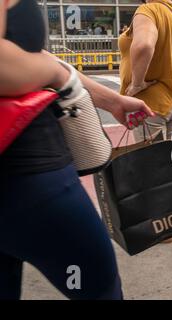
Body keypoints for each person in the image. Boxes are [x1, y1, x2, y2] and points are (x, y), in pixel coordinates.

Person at [0, 0, 154, 300]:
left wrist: (112, 101)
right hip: (30, 177)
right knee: (100, 289)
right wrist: (57, 76)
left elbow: (32, 55)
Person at [119, 0, 172, 141]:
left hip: (150, 103)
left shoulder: (147, 11)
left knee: (150, 158)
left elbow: (144, 45)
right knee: (171, 157)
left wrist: (137, 84)